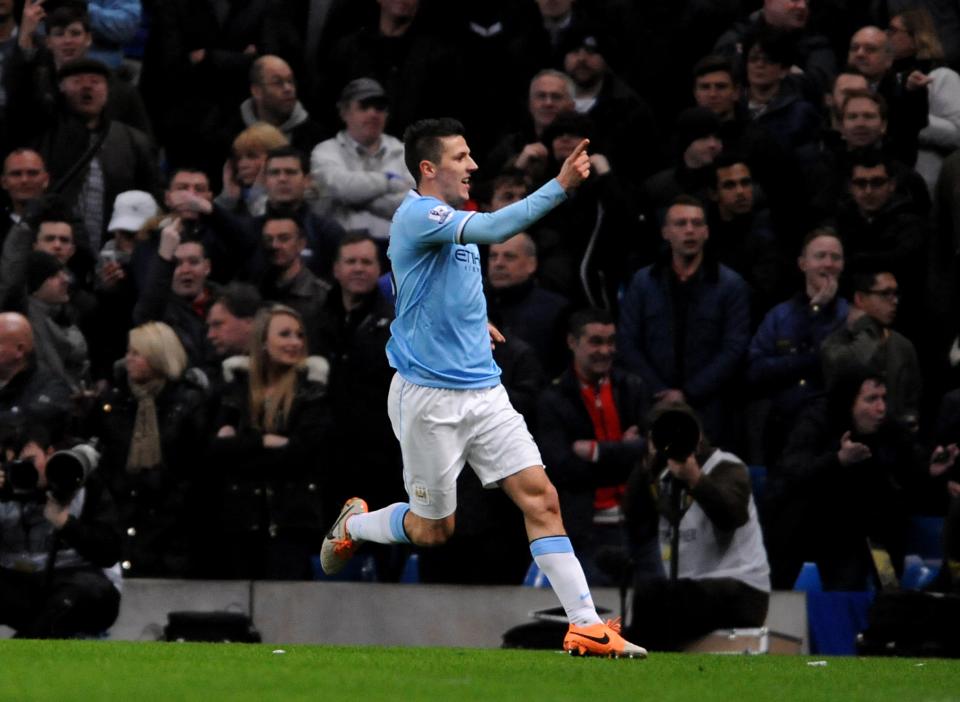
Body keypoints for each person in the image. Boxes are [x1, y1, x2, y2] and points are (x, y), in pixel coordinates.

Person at [319, 117, 646, 658]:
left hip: (485, 393)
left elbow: (441, 284)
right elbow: (496, 232)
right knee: (433, 531)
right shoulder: (419, 215)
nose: (473, 166)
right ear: (429, 168)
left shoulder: (454, 220)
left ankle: (584, 624)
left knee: (541, 498)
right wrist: (560, 185)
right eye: (461, 157)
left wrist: (476, 324)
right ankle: (357, 523)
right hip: (428, 399)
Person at [623, 403, 770, 651]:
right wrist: (646, 466)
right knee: (651, 594)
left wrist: (695, 478)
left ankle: (637, 659)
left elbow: (730, 516)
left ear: (698, 435)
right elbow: (634, 519)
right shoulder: (661, 477)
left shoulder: (726, 466)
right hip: (690, 591)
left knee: (658, 598)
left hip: (740, 587)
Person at [619, 195, 751, 448]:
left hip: (712, 408)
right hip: (653, 404)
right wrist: (660, 391)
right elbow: (628, 342)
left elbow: (734, 347)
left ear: (706, 232)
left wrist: (688, 393)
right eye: (681, 223)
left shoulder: (730, 285)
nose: (689, 230)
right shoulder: (644, 282)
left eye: (696, 223)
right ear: (666, 232)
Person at [209, 305, 331, 579]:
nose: (295, 342)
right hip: (240, 522)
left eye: (299, 335)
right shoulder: (236, 391)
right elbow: (217, 451)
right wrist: (264, 440)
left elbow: (300, 453)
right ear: (263, 342)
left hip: (291, 522)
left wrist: (241, 446)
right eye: (285, 334)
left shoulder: (311, 392)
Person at [536, 308, 650, 586]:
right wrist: (624, 452)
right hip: (585, 529)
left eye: (611, 341)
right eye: (596, 342)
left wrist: (597, 453)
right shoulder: (552, 399)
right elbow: (562, 469)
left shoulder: (633, 387)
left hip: (638, 524)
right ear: (572, 342)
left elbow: (651, 450)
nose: (606, 350)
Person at [94, 321, 208, 577]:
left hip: (172, 523)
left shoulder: (190, 403)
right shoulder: (114, 402)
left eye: (136, 353)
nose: (128, 360)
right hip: (123, 516)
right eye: (128, 353)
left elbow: (194, 466)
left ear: (158, 355)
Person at [0, 426, 122, 638]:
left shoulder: (81, 484)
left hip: (74, 583)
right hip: (18, 584)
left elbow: (110, 551)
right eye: (12, 466)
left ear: (50, 453)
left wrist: (65, 523)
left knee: (74, 596)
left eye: (29, 463)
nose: (21, 471)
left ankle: (19, 654)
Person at [748, 229, 849, 463]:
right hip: (781, 424)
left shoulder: (851, 316)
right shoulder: (779, 315)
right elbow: (755, 371)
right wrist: (807, 362)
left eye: (836, 257)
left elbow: (837, 367)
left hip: (830, 430)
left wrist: (818, 310)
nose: (829, 263)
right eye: (820, 256)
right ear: (803, 263)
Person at [310, 78, 414, 241]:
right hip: (339, 246)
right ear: (344, 112)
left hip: (396, 247)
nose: (373, 113)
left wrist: (354, 200)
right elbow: (342, 187)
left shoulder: (406, 153)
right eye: (364, 106)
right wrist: (388, 180)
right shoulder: (325, 151)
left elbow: (415, 205)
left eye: (380, 107)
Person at [821, 269, 922, 433]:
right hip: (847, 440)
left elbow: (912, 401)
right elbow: (851, 366)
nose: (894, 301)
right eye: (885, 294)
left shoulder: (903, 346)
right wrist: (865, 325)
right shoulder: (835, 343)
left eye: (896, 294)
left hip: (894, 444)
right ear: (860, 298)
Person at [888, 8, 960, 192]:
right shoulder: (889, 78)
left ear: (916, 37)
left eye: (893, 30)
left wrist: (907, 118)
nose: (886, 36)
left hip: (929, 178)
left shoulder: (942, 76)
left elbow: (957, 133)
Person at [486, 232, 570, 378]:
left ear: (532, 264)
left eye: (509, 256)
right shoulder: (472, 306)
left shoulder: (556, 311)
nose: (498, 263)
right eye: (493, 256)